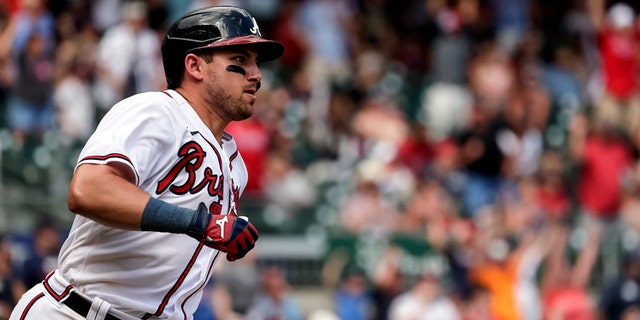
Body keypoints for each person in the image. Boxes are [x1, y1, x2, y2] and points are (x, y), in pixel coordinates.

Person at [9, 6, 284, 320]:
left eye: (256, 64)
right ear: (194, 65)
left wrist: (223, 238)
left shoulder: (235, 165)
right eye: (239, 61)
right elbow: (88, 189)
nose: (257, 75)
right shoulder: (156, 111)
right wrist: (199, 223)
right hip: (78, 311)